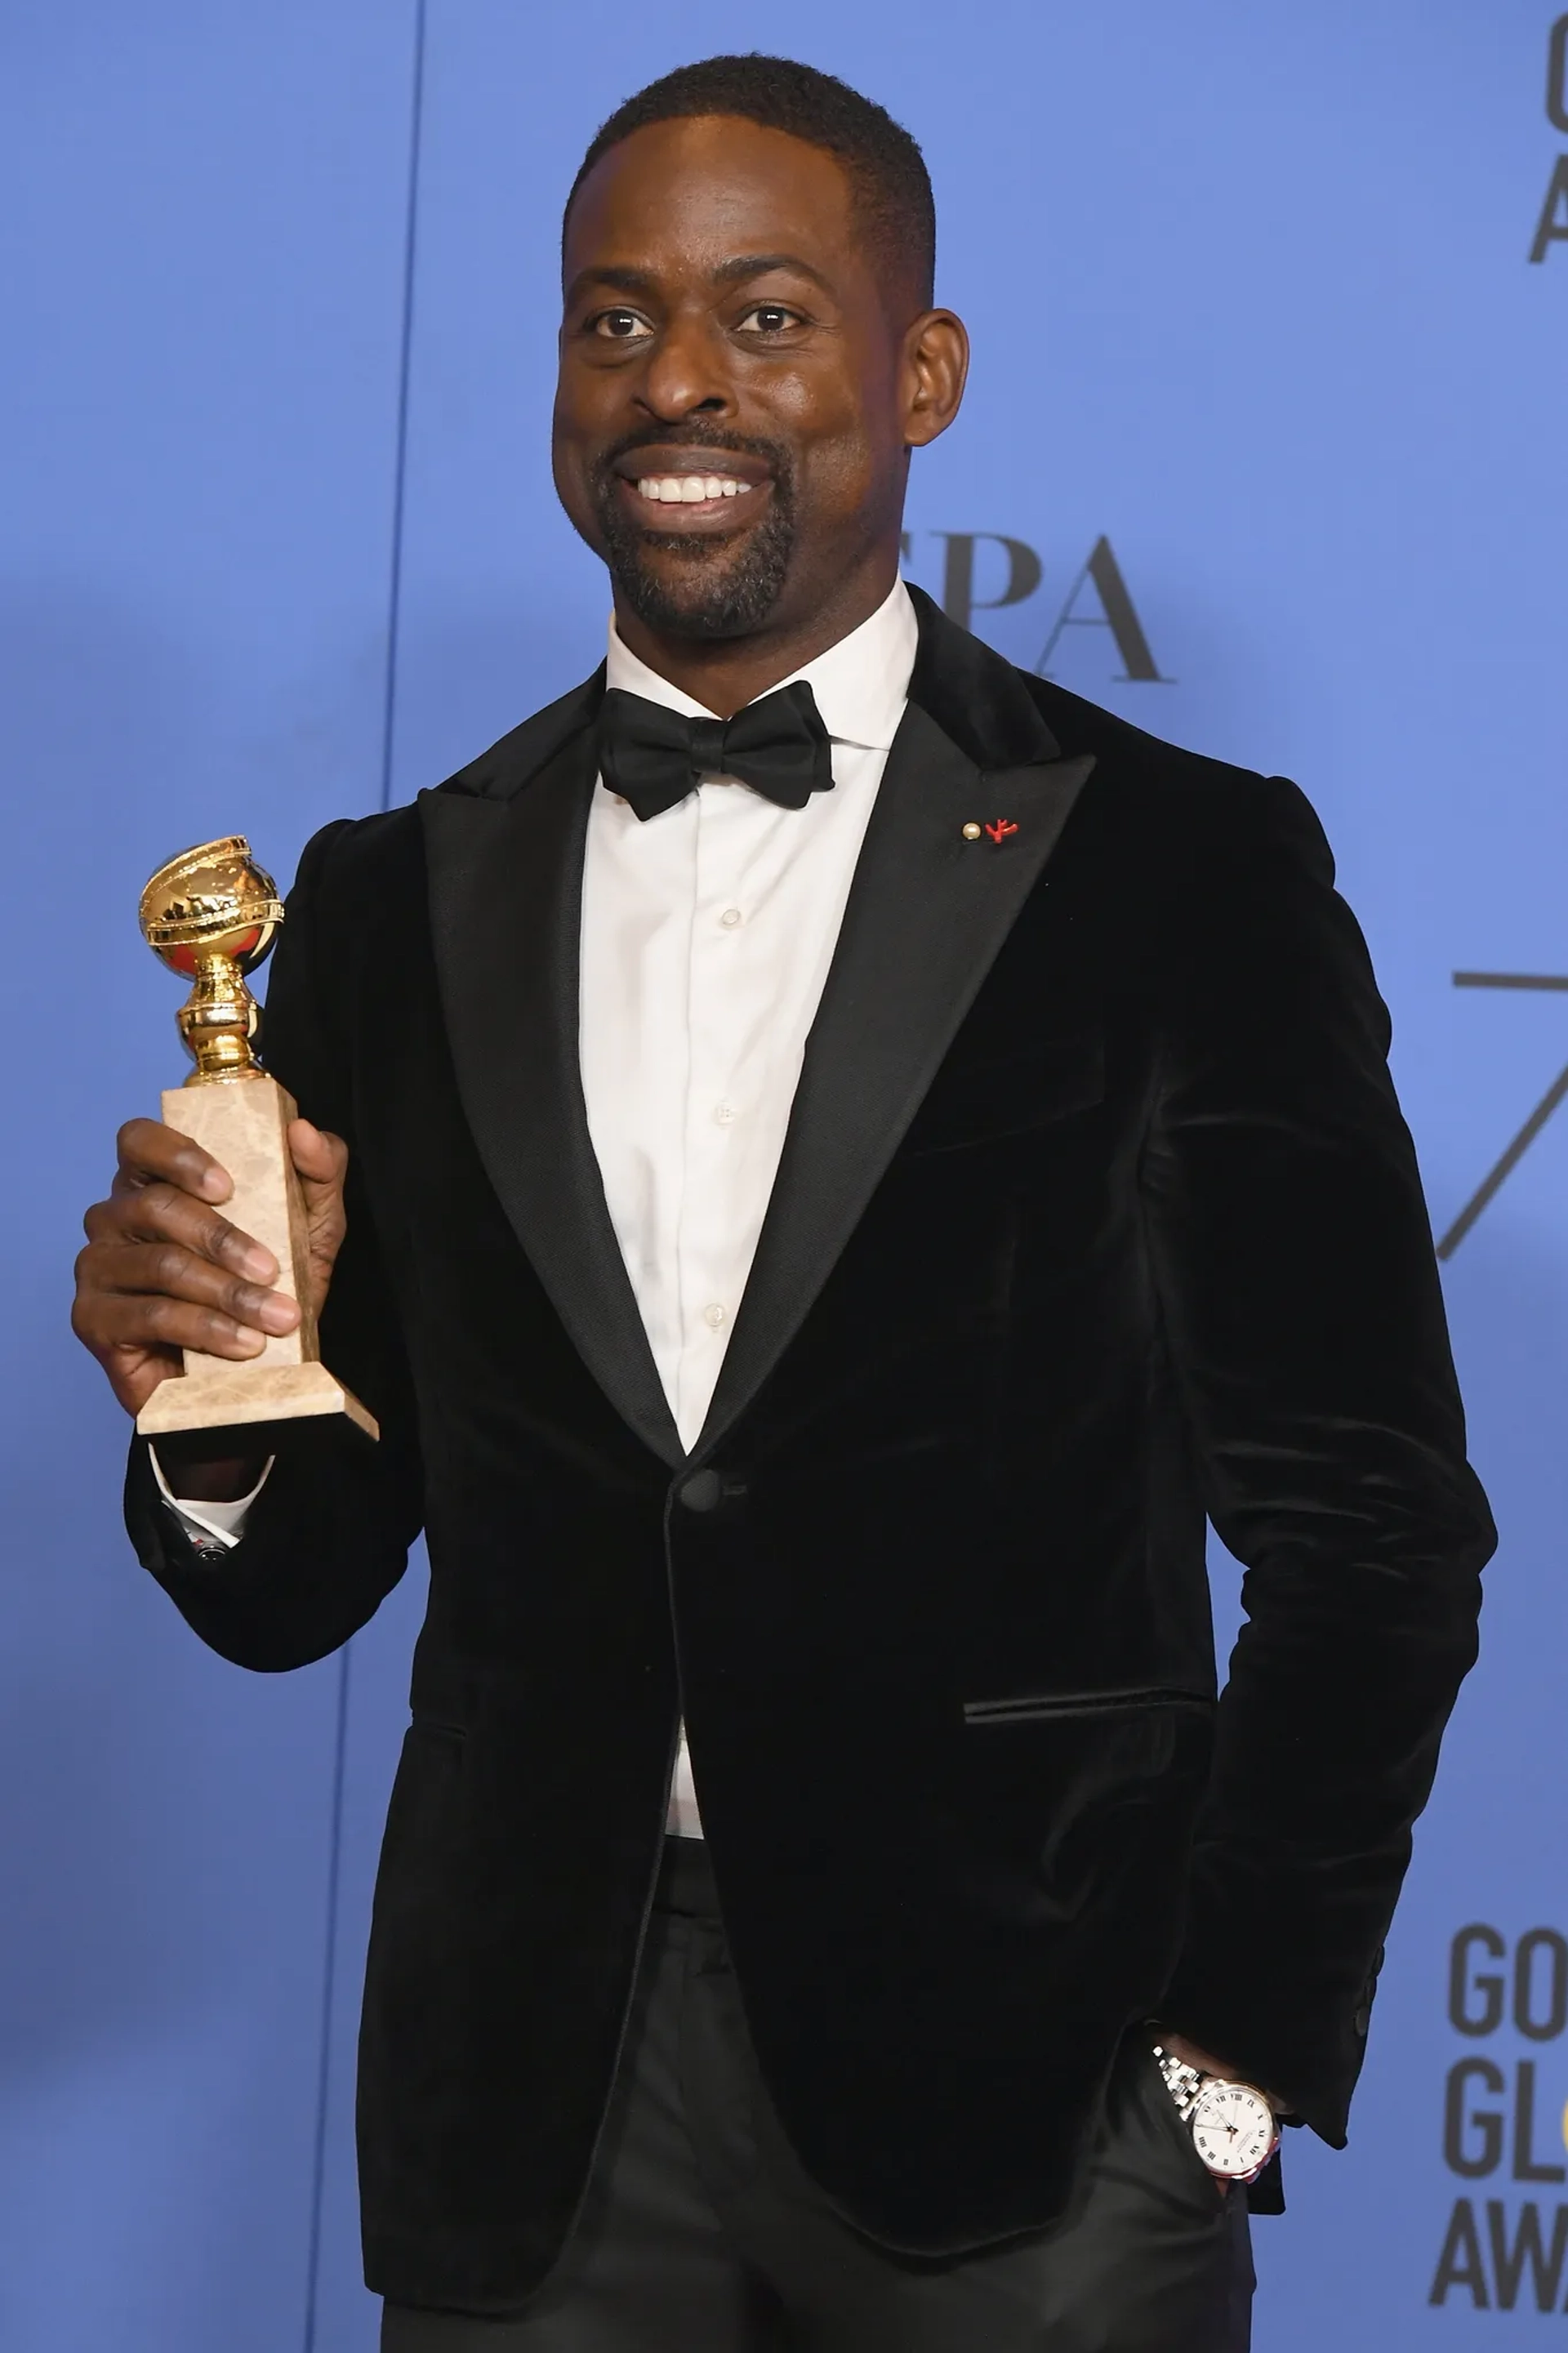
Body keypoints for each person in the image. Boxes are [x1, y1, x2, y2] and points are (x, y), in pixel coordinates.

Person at [71, 54, 1495, 2353]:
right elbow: (303, 1589)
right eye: (614, 320)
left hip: (1037, 2124)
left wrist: (1229, 2065)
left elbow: (1375, 1527)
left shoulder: (1179, 869)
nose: (682, 384)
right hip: (530, 2119)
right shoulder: (381, 902)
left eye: (767, 314)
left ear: (917, 370)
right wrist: (211, 1406)